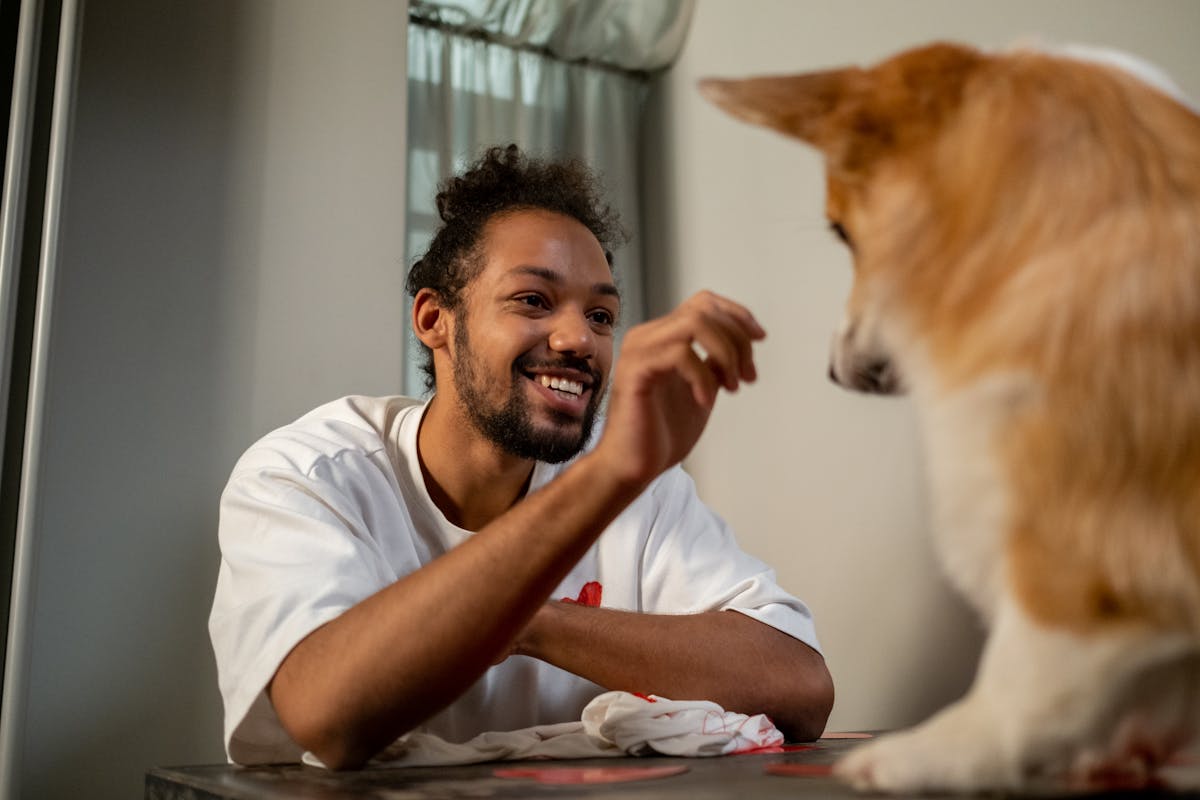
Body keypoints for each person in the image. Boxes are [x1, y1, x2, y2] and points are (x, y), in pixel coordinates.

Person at [209, 144, 834, 770]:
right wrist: (608, 475)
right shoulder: (307, 474)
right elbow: (326, 715)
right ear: (435, 319)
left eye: (601, 314)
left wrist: (532, 620)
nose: (578, 340)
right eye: (533, 300)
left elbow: (801, 687)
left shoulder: (636, 484)